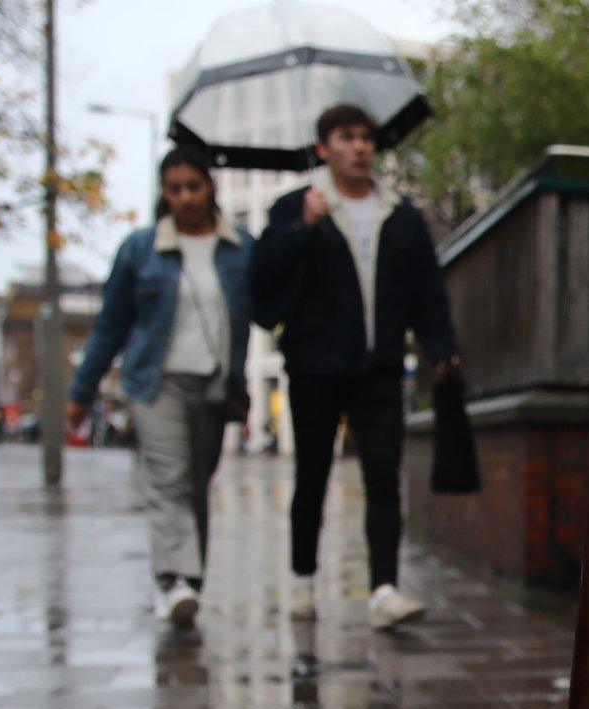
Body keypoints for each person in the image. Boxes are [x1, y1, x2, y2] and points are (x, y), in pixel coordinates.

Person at [253, 102, 460, 631]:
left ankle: (384, 589)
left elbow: (426, 291)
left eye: (366, 137)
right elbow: (262, 281)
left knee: (383, 478)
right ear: (323, 148)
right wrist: (303, 226)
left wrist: (441, 345)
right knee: (312, 476)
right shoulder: (295, 206)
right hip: (315, 366)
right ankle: (302, 579)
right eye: (346, 137)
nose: (360, 146)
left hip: (380, 368)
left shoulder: (401, 214)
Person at [70, 146, 252, 627]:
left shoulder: (241, 248)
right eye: (175, 189)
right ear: (164, 193)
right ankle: (172, 580)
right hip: (155, 383)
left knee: (195, 486)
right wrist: (81, 390)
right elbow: (111, 324)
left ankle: (189, 583)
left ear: (210, 187)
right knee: (168, 480)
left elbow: (272, 303)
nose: (186, 197)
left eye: (194, 186)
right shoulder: (140, 249)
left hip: (216, 386)